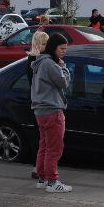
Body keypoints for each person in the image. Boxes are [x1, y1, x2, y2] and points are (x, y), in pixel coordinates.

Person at [31, 33, 72, 193]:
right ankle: (52, 182)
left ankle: (42, 178)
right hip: (52, 109)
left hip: (40, 110)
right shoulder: (51, 64)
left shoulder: (40, 62)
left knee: (45, 146)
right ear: (53, 47)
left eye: (65, 49)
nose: (64, 52)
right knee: (54, 148)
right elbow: (64, 82)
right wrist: (63, 66)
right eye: (62, 48)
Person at [27, 30, 50, 180]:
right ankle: (39, 168)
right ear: (36, 45)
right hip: (40, 104)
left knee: (43, 139)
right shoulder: (33, 61)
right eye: (44, 44)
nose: (46, 47)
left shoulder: (38, 58)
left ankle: (40, 168)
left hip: (40, 103)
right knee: (42, 139)